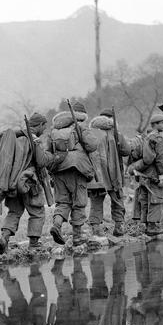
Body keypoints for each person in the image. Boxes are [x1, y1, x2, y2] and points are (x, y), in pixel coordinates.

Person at [40, 101, 98, 247]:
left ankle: (57, 225)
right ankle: (78, 236)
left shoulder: (53, 131)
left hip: (58, 169)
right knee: (79, 202)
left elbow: (46, 153)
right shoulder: (79, 127)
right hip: (76, 169)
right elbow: (92, 145)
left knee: (63, 202)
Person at [0, 113, 50, 254]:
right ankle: (34, 244)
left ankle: (4, 238)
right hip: (30, 183)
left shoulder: (13, 139)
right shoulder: (34, 140)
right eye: (44, 126)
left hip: (11, 183)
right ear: (40, 125)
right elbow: (41, 161)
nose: (44, 130)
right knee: (37, 212)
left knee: (14, 212)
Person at [87, 108, 131, 237]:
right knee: (117, 200)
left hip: (97, 175)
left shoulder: (90, 133)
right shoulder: (115, 133)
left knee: (96, 203)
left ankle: (96, 231)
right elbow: (127, 151)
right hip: (114, 174)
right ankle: (119, 227)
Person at [127, 113, 163, 236]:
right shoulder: (158, 139)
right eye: (162, 122)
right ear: (155, 125)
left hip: (143, 173)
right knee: (156, 199)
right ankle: (152, 226)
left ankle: (145, 224)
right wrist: (162, 175)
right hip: (154, 174)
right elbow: (160, 159)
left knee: (144, 198)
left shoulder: (146, 137)